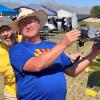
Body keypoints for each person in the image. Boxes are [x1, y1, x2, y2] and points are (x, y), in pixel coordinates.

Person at [9, 8, 100, 100]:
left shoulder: (53, 46)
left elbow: (72, 71)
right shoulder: (17, 49)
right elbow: (36, 65)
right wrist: (63, 43)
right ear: (19, 29)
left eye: (31, 21)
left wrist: (94, 53)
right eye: (24, 23)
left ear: (38, 24)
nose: (28, 26)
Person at [0, 25, 17, 100]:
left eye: (8, 30)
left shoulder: (24, 41)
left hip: (30, 91)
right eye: (2, 31)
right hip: (11, 94)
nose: (6, 33)